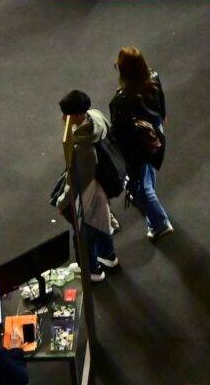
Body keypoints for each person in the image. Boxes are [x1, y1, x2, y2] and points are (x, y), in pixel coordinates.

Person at [108, 47, 174, 240]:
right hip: (154, 134)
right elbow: (160, 101)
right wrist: (161, 116)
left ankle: (160, 224)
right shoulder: (153, 77)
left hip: (137, 144)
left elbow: (119, 130)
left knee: (142, 189)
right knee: (148, 171)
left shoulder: (122, 98)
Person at [60, 90, 121, 280]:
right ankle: (108, 257)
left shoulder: (83, 148)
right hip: (105, 182)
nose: (63, 118)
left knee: (84, 235)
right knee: (102, 224)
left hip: (91, 193)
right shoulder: (96, 116)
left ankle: (92, 271)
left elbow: (81, 182)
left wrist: (63, 201)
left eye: (66, 114)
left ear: (77, 115)